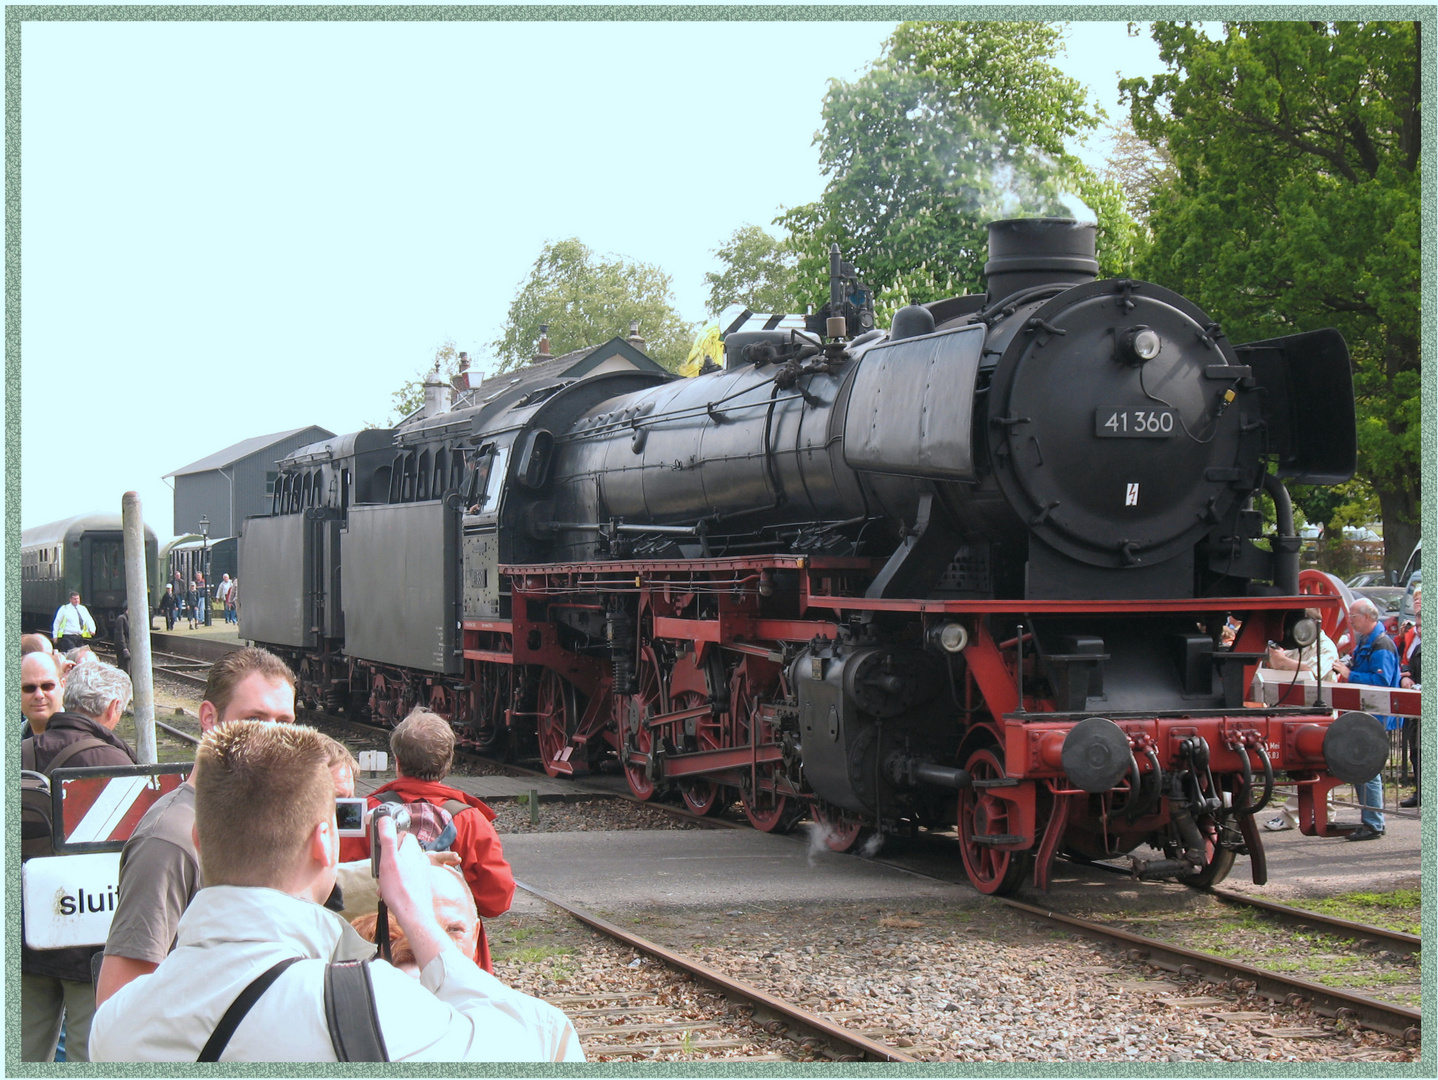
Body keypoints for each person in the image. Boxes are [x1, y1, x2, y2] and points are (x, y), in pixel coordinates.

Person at [89, 721, 584, 1062]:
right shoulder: (369, 1006)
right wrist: (416, 917)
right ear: (325, 843)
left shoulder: (115, 1023)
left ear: (199, 841)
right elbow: (545, 1042)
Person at [95, 647, 299, 1006]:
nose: (272, 737)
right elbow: (119, 1004)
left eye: (284, 722)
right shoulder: (169, 840)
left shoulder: (262, 825)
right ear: (210, 718)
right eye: (255, 718)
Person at [22, 661, 139, 1062]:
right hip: (90, 943)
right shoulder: (118, 765)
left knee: (23, 1051)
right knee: (88, 1052)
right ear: (111, 708)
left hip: (26, 937)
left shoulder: (20, 754)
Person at [340, 708, 514, 972]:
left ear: (396, 761)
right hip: (455, 960)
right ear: (447, 764)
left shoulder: (364, 814)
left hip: (379, 956)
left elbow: (339, 888)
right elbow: (497, 899)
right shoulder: (471, 819)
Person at [1331, 597, 1400, 840]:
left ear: (1368, 617)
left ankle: (1373, 823)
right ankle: (1370, 821)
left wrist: (1350, 674)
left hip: (1375, 716)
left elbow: (1381, 682)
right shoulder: (1369, 642)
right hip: (1366, 715)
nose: (1350, 621)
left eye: (1353, 617)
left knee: (1368, 769)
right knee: (1363, 767)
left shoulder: (1381, 645)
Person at [1398, 597, 1421, 808]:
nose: (1419, 630)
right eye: (1419, 626)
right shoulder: (1414, 642)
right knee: (1415, 749)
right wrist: (1405, 676)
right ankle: (1420, 791)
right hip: (1416, 704)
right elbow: (1406, 663)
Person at [20, 650, 66, 738]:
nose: (39, 695)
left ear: (62, 686)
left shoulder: (83, 744)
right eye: (29, 688)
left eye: (47, 686)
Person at [112, 604, 132, 677]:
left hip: (130, 647)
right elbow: (119, 634)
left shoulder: (131, 619)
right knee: (125, 668)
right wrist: (124, 648)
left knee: (131, 669)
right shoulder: (122, 618)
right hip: (124, 648)